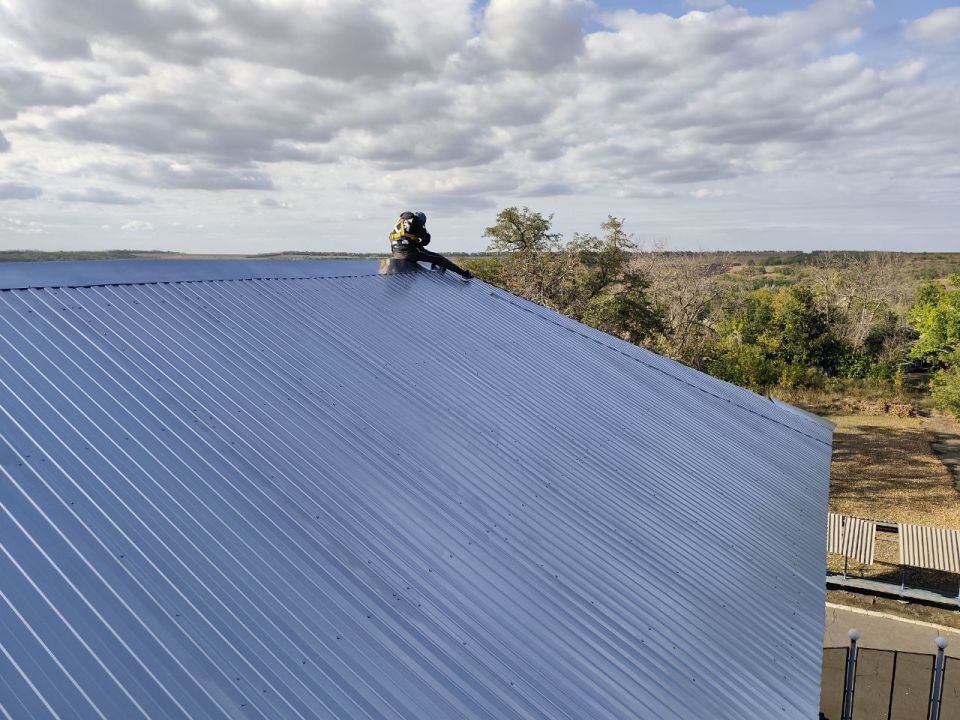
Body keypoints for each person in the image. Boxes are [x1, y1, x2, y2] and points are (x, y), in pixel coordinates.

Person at [389, 211, 472, 279]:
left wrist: (414, 242)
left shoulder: (400, 221)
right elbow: (426, 239)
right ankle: (464, 274)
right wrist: (419, 243)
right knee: (439, 258)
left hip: (396, 253)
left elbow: (394, 238)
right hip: (408, 253)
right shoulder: (417, 220)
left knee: (418, 249)